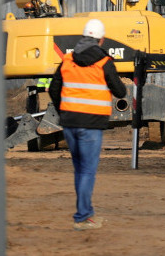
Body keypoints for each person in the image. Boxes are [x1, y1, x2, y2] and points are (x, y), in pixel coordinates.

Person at [47, 18, 127, 230]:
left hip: (70, 123)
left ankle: (84, 214)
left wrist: (64, 111)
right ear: (101, 40)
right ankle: (83, 217)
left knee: (79, 170)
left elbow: (53, 90)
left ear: (83, 38)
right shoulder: (104, 62)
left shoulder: (67, 60)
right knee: (87, 172)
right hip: (91, 124)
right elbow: (121, 91)